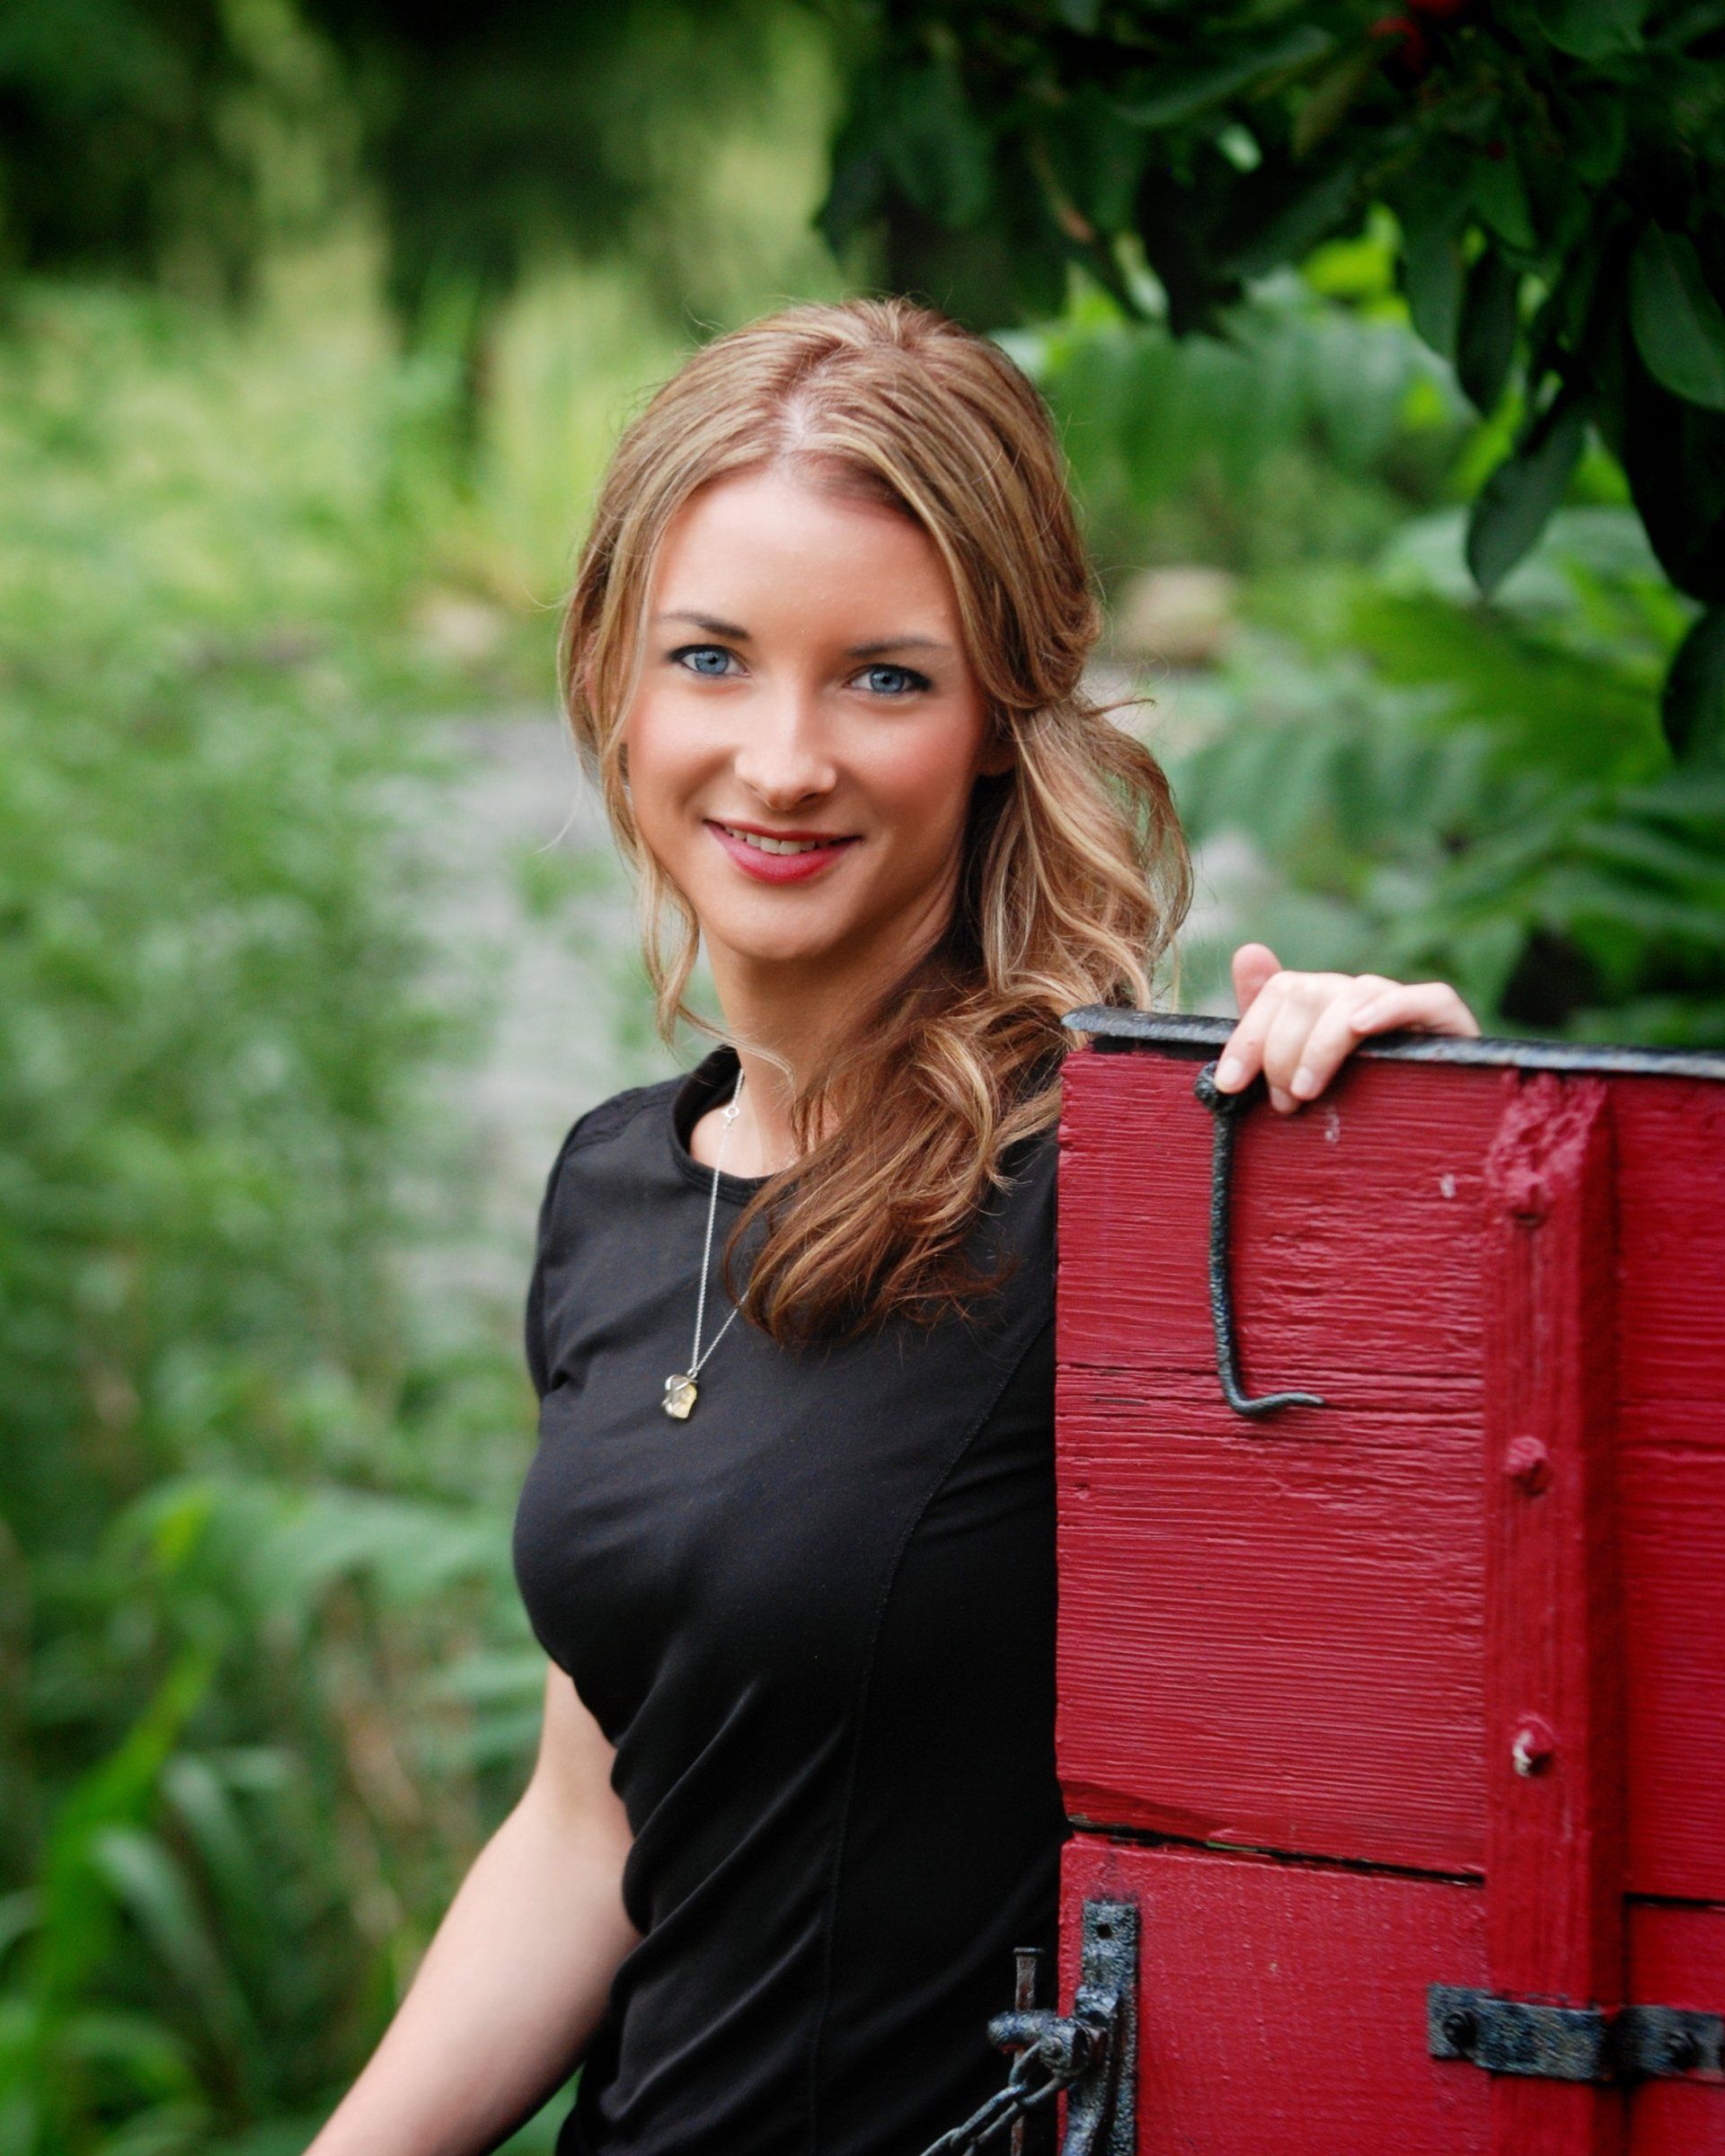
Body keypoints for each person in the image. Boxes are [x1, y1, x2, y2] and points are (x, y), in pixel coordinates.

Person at [305, 296, 1479, 2156]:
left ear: (1002, 720)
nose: (782, 761)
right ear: (613, 675)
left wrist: (1423, 1153)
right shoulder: (617, 1188)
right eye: (711, 658)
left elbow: (1461, 1675)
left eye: (882, 678)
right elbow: (594, 1828)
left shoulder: (1133, 1184)